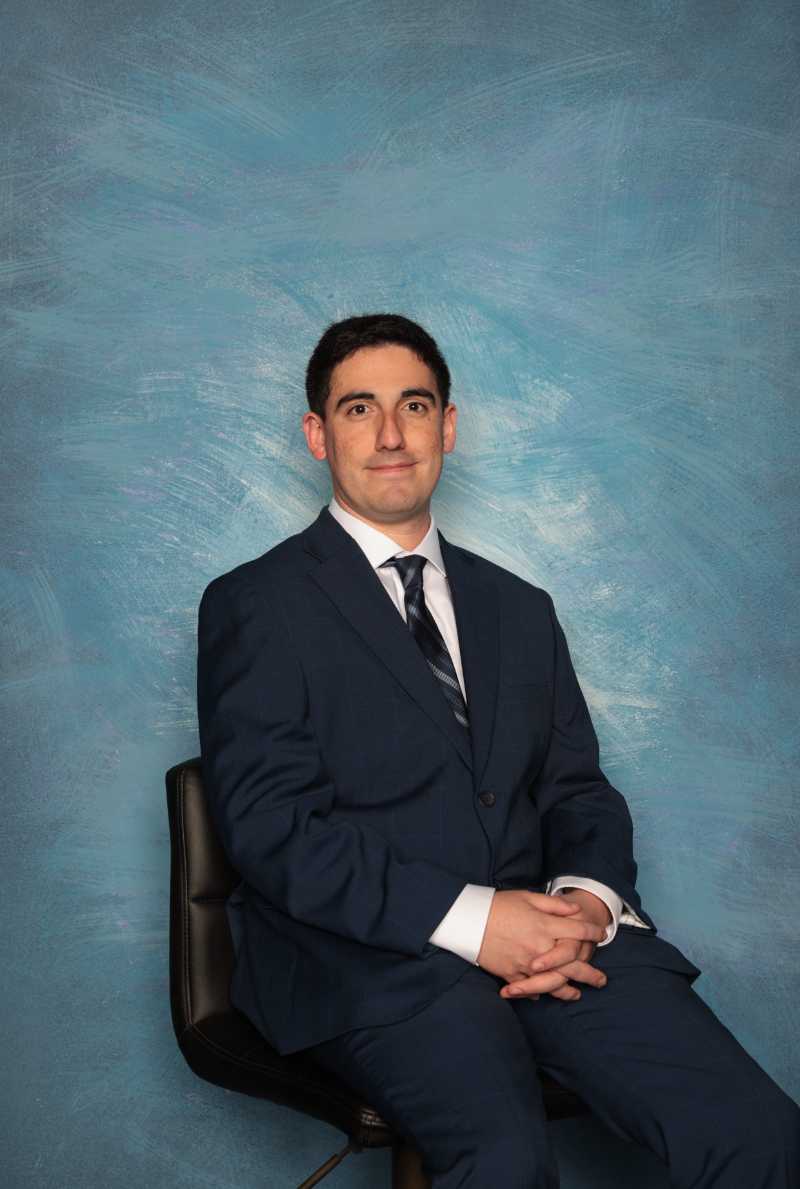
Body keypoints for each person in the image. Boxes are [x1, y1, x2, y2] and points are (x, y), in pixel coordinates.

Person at [196, 313, 799, 1187]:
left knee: (761, 1135)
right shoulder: (256, 603)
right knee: (505, 1162)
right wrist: (479, 923)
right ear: (318, 435)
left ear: (448, 425)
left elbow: (579, 790)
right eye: (360, 409)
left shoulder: (522, 608)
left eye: (414, 405)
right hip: (369, 961)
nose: (391, 434)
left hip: (558, 947)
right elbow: (274, 830)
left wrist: (586, 903)